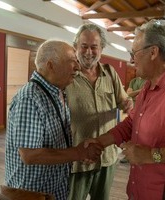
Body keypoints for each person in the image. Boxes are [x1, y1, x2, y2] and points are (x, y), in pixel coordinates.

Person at [5, 39, 103, 200]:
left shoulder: (58, 92)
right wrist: (78, 153)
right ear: (51, 65)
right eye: (72, 62)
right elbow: (30, 155)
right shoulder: (30, 98)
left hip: (54, 189)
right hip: (32, 193)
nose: (78, 67)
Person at [86, 19, 165, 200]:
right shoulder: (147, 87)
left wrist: (152, 155)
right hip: (139, 189)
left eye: (134, 53)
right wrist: (100, 142)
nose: (131, 59)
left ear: (153, 52)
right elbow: (131, 123)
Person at [65, 23, 133, 200]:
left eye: (94, 47)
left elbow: (124, 100)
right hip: (77, 159)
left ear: (101, 48)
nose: (89, 52)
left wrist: (127, 103)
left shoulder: (110, 73)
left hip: (106, 157)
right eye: (84, 46)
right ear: (75, 47)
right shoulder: (66, 75)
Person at [120, 75, 145, 163]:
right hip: (134, 111)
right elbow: (128, 94)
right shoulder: (133, 81)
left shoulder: (148, 81)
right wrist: (141, 90)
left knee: (141, 134)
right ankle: (128, 155)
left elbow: (142, 97)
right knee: (131, 133)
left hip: (144, 111)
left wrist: (135, 93)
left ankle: (139, 155)